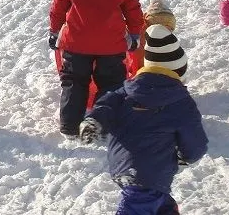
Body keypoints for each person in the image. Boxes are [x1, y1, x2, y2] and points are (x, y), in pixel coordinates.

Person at [79, 25, 207, 215]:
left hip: (121, 165)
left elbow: (105, 106)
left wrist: (93, 121)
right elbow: (195, 140)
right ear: (178, 71)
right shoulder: (181, 102)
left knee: (160, 203)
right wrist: (187, 156)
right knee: (142, 202)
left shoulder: (125, 90)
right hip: (151, 172)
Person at [48, 0, 145, 137]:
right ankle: (99, 121)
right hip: (111, 45)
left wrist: (54, 31)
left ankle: (69, 126)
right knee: (111, 83)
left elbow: (58, 6)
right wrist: (134, 35)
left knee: (74, 81)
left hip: (76, 43)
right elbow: (133, 10)